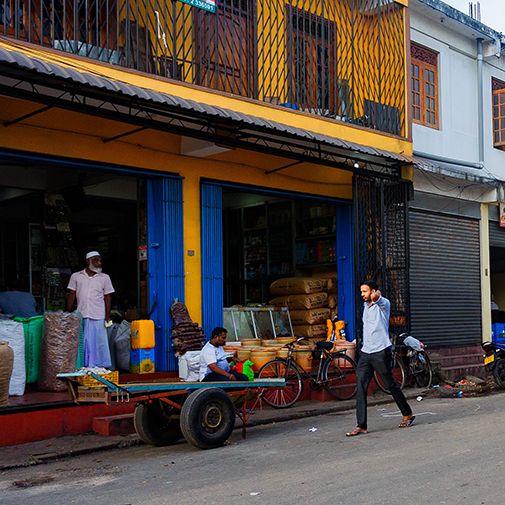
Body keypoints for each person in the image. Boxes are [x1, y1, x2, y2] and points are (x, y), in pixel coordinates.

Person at [346, 280, 415, 437]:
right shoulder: (365, 306)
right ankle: (361, 425)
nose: (362, 294)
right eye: (361, 291)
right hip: (366, 352)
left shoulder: (384, 305)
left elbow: (379, 299)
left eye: (365, 291)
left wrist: (376, 295)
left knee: (390, 385)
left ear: (373, 291)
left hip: (380, 351)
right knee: (361, 387)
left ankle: (407, 413)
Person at [66, 251, 114, 368]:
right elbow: (72, 294)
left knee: (99, 342)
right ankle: (83, 365)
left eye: (100, 260)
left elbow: (107, 297)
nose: (99, 263)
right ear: (89, 261)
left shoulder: (105, 278)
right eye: (96, 260)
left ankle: (100, 365)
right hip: (81, 314)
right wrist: (68, 312)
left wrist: (107, 315)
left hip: (98, 315)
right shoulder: (76, 276)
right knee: (83, 342)